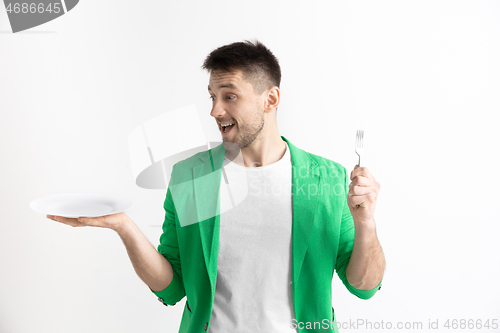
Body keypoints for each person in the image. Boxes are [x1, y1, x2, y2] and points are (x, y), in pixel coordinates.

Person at [47, 40, 385, 333]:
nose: (214, 110)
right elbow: (172, 286)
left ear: (270, 99)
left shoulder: (327, 179)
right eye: (212, 96)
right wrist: (124, 227)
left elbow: (364, 286)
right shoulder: (192, 178)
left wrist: (366, 223)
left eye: (229, 96)